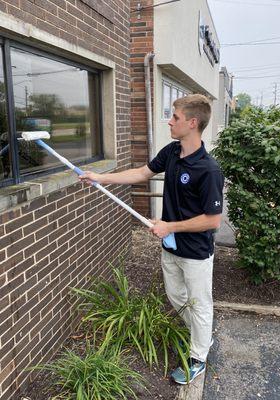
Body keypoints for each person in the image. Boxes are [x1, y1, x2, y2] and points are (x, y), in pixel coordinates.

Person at [79, 94, 224, 384]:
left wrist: (170, 226)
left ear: (192, 123)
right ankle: (201, 335)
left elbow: (212, 220)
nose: (170, 121)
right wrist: (101, 178)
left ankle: (197, 357)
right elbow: (142, 173)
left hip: (195, 252)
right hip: (171, 247)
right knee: (177, 297)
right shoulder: (171, 152)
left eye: (175, 117)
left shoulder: (208, 170)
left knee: (199, 303)